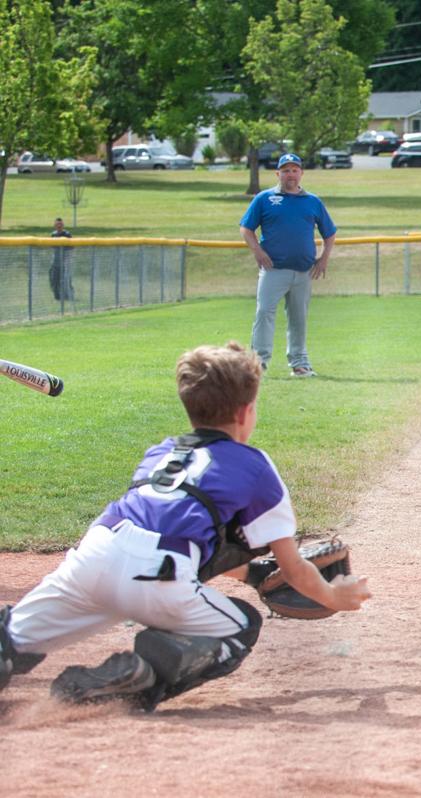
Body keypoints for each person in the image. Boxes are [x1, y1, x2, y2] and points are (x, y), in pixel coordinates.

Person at [0, 342, 370, 708]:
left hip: (91, 558)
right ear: (245, 413)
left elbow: (170, 533)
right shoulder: (255, 466)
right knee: (239, 626)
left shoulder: (160, 453)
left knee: (10, 639)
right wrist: (335, 596)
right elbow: (294, 570)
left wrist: (254, 574)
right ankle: (141, 674)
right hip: (157, 582)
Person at [239, 153, 337, 377]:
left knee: (298, 318)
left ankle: (299, 363)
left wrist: (324, 258)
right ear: (277, 174)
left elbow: (329, 233)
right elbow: (246, 228)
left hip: (303, 271)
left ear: (301, 173)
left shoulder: (312, 201)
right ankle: (258, 364)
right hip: (273, 269)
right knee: (264, 313)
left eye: (294, 170)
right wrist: (258, 251)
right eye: (285, 170)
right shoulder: (264, 199)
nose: (290, 174)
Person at [49, 217, 74, 302]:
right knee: (54, 279)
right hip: (55, 262)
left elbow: (71, 247)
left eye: (60, 224)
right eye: (57, 224)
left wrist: (68, 259)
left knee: (66, 279)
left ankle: (68, 295)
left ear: (63, 225)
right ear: (54, 225)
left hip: (65, 261)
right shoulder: (53, 234)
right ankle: (57, 296)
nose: (59, 226)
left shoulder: (67, 234)